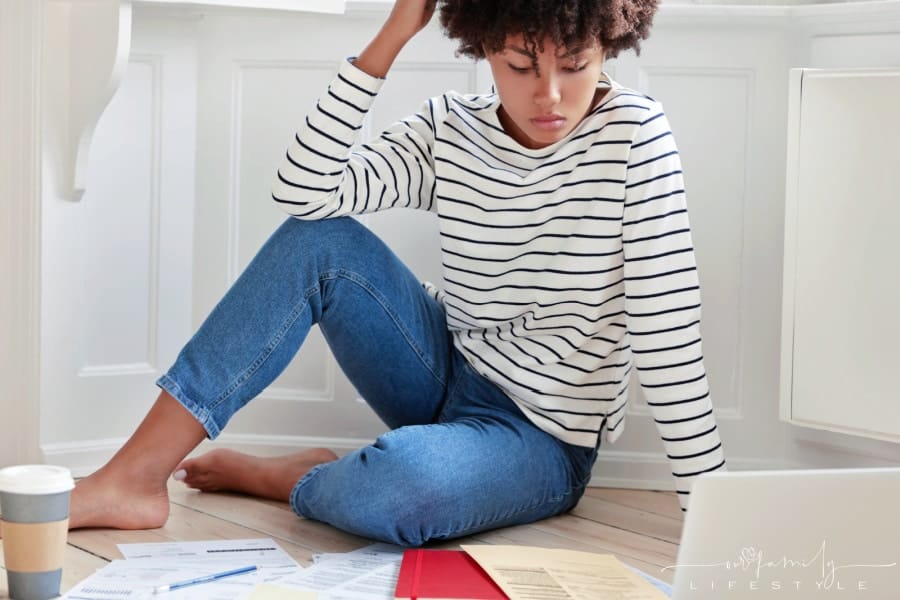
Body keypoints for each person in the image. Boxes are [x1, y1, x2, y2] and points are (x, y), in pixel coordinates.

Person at [66, 0, 726, 547]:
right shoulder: (452, 130)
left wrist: (716, 520)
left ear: (609, 45)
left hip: (542, 440)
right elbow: (306, 195)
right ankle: (133, 477)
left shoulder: (636, 137)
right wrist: (394, 33)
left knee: (405, 486)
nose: (549, 95)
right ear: (485, 49)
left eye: (575, 65)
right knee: (316, 242)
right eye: (521, 65)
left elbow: (667, 338)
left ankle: (297, 479)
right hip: (446, 368)